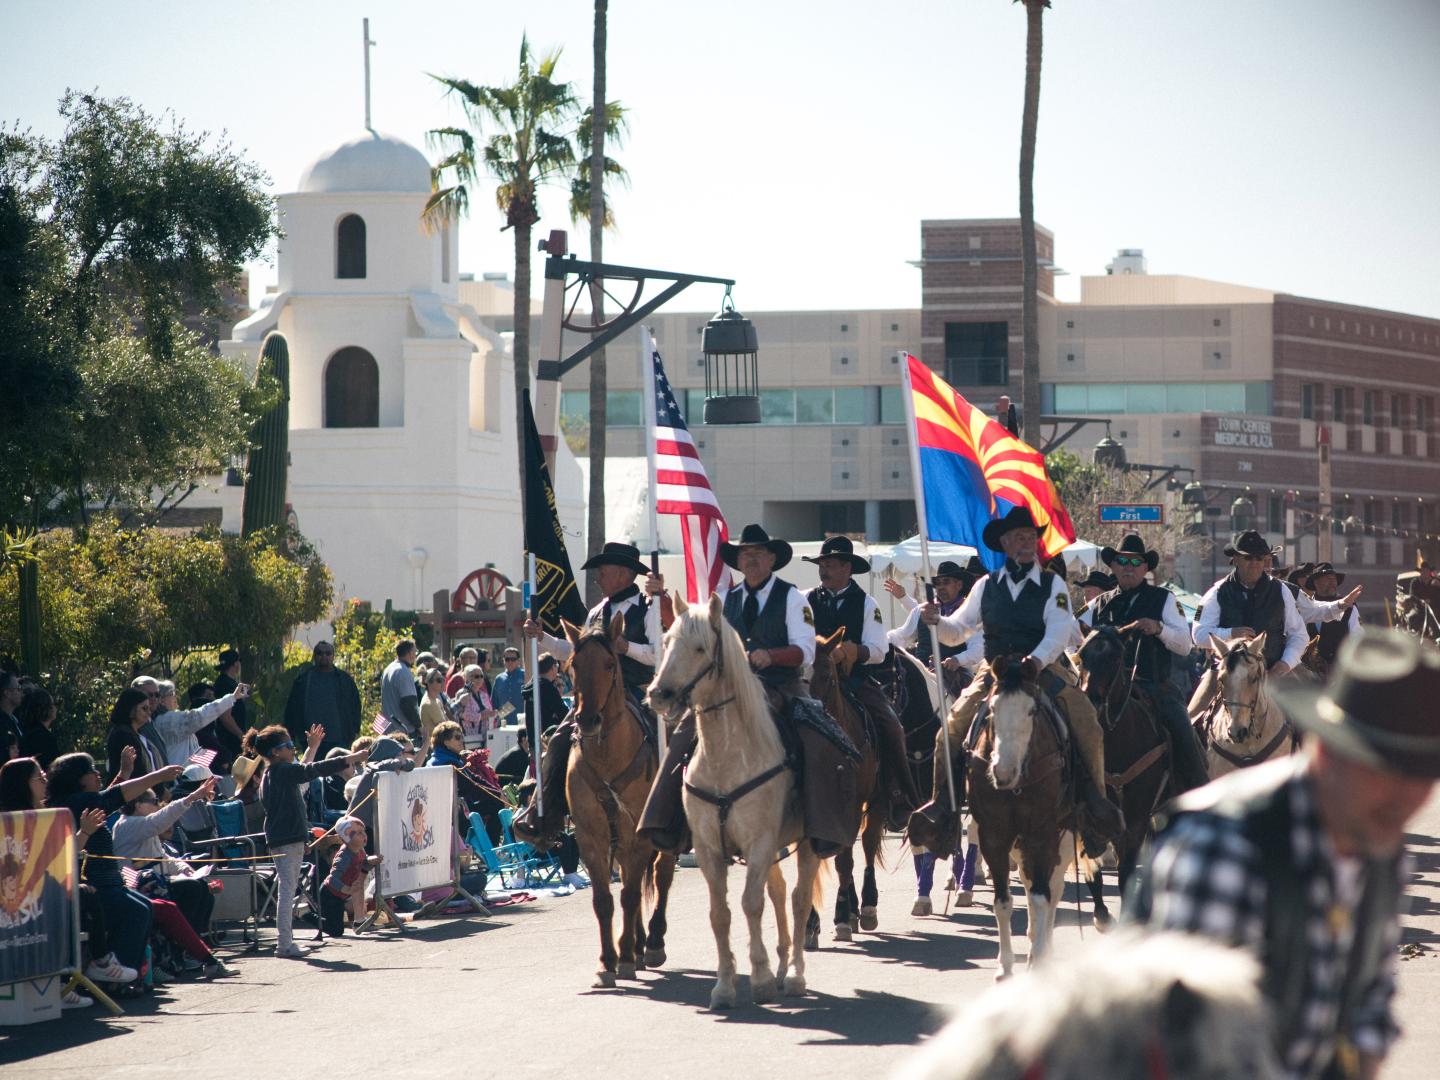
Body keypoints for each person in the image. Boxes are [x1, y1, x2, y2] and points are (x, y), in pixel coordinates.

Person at [1131, 629, 1439, 1079]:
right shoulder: (1225, 850)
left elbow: (1369, 1000)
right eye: (1386, 773)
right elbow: (1186, 1046)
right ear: (1328, 753)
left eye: (1426, 774)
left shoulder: (1378, 845)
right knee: (1186, 717)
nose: (1408, 799)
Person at [916, 506, 1125, 849]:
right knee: (948, 732)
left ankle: (1094, 806)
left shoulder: (1052, 583)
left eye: (1031, 536)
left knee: (1088, 721)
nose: (1027, 543)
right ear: (1004, 543)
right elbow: (959, 631)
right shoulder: (986, 585)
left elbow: (1058, 631)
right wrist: (937, 621)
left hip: (1042, 669)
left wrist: (1036, 662)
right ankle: (943, 810)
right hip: (994, 671)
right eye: (1018, 537)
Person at [638, 523, 822, 852]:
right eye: (744, 553)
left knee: (817, 737)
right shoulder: (720, 602)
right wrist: (662, 596)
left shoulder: (793, 598)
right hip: (726, 693)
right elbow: (685, 626)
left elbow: (806, 650)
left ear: (771, 559)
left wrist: (772, 655)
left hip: (782, 686)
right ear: (737, 561)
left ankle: (822, 819)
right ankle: (665, 821)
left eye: (758, 552)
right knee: (680, 739)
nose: (751, 558)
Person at [515, 540, 664, 845]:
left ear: (624, 574)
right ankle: (545, 816)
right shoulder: (596, 612)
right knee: (558, 740)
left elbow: (658, 653)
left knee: (665, 736)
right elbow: (575, 651)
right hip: (595, 695)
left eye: (603, 572)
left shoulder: (650, 608)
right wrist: (542, 637)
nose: (597, 578)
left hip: (636, 690)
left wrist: (626, 648)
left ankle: (672, 813)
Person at [1077, 534, 1210, 793]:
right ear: (1113, 566)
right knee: (1068, 726)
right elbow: (1070, 631)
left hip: (1154, 686)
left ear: (1146, 568)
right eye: (1122, 560)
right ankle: (1072, 796)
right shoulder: (1097, 604)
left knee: (1183, 732)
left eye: (1135, 562)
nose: (1128, 566)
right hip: (1102, 688)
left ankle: (1199, 795)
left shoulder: (1165, 599)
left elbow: (1185, 644)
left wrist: (1159, 628)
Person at [0, 756, 141, 1000]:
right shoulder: (11, 819)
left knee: (84, 894)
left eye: (45, 777)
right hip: (16, 897)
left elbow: (59, 855)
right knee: (85, 894)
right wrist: (84, 832)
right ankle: (93, 965)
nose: (45, 781)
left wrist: (84, 832)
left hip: (36, 892)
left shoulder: (43, 814)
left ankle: (63, 983)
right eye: (39, 778)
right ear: (23, 784)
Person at [803, 535, 920, 825]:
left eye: (830, 564)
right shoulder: (805, 599)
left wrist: (854, 651)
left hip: (854, 681)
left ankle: (899, 793)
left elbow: (880, 650)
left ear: (847, 568)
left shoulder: (867, 604)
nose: (824, 570)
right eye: (822, 564)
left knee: (891, 724)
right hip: (812, 679)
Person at [46, 751, 184, 980]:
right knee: (137, 911)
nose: (97, 773)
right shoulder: (83, 802)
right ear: (78, 778)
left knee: (145, 907)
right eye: (91, 770)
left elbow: (109, 795)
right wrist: (157, 777)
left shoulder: (73, 801)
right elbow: (114, 797)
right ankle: (118, 974)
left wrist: (126, 774)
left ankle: (133, 970)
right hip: (96, 886)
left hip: (108, 884)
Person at [244, 724, 367, 957]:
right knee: (287, 890)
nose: (293, 749)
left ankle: (285, 941)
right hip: (286, 840)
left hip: (289, 838)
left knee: (287, 889)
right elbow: (312, 770)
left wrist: (313, 747)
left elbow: (303, 777)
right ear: (274, 753)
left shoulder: (278, 773)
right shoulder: (280, 771)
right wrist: (351, 757)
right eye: (288, 746)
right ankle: (283, 944)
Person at [112, 780, 237, 978]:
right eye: (154, 801)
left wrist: (186, 869)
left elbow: (164, 858)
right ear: (138, 804)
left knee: (202, 888)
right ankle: (181, 953)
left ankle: (188, 951)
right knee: (191, 889)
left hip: (155, 882)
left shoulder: (143, 826)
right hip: (138, 887)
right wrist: (192, 798)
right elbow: (159, 820)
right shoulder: (129, 824)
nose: (158, 805)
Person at [1191, 531, 1312, 714]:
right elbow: (1198, 634)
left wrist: (1283, 666)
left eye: (1259, 558)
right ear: (1236, 559)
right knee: (1191, 720)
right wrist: (1231, 633)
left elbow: (1299, 635)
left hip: (1274, 671)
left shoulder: (1282, 591)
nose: (1254, 562)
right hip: (1225, 674)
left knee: (1311, 719)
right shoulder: (1217, 592)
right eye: (1248, 557)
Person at [885, 560, 985, 691]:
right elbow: (902, 636)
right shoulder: (922, 610)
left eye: (946, 582)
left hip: (957, 675)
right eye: (938, 583)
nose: (941, 587)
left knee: (970, 705)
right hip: (922, 672)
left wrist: (957, 659)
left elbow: (978, 649)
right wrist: (882, 641)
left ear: (959, 584)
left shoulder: (970, 613)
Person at [284, 641, 363, 756]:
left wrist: (355, 730)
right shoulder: (303, 680)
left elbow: (355, 705)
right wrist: (292, 734)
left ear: (333, 656)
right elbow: (292, 708)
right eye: (320, 653)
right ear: (314, 656)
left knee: (339, 773)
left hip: (339, 739)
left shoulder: (345, 680)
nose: (324, 656)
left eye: (328, 653)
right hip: (311, 741)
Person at [149, 677, 248, 767]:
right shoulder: (169, 720)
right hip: (180, 778)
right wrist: (232, 697)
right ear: (161, 700)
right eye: (172, 694)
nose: (176, 698)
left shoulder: (160, 720)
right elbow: (201, 715)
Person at [320, 815, 381, 938]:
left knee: (358, 888)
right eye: (359, 833)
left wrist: (370, 859)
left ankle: (359, 921)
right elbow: (332, 880)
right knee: (336, 931)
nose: (364, 835)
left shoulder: (360, 850)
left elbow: (364, 861)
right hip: (331, 894)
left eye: (363, 831)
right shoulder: (344, 857)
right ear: (347, 837)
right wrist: (347, 890)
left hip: (344, 893)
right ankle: (304, 913)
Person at [1305, 562, 1362, 667]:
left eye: (1334, 579)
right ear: (1316, 582)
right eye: (1327, 579)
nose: (1332, 583)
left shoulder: (1349, 607)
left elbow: (1358, 639)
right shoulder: (1305, 607)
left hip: (1338, 672)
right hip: (1307, 675)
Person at [211, 650, 249, 763]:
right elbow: (225, 716)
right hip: (230, 739)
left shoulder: (228, 682)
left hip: (231, 738)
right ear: (236, 664)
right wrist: (241, 735)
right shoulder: (225, 684)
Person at [380, 639, 422, 741]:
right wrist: (420, 727)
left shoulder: (388, 669)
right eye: (415, 652)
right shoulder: (403, 671)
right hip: (404, 733)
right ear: (409, 653)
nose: (415, 655)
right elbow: (408, 705)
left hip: (387, 730)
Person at [17, 687, 60, 770]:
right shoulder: (43, 738)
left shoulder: (26, 730)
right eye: (52, 704)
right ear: (46, 708)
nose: (55, 708)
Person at [491, 646, 527, 718]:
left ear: (518, 661)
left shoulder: (525, 675)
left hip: (522, 721)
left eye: (513, 659)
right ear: (503, 660)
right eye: (507, 659)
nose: (510, 662)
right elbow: (494, 702)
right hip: (504, 722)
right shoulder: (499, 679)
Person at [0, 671, 22, 744]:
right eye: (18, 688)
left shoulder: (15, 720)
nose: (21, 692)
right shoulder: (2, 723)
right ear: (7, 693)